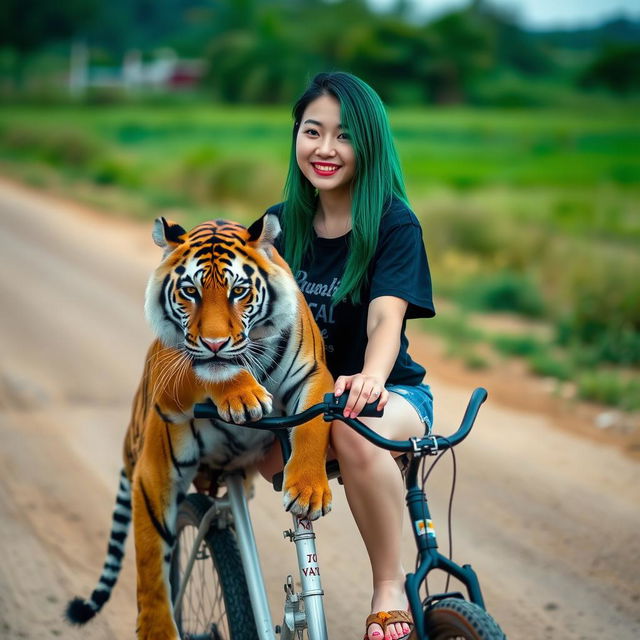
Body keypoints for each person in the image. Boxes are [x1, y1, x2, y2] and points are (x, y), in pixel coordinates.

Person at [261, 71, 435, 640]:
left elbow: (387, 316)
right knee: (241, 439)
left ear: (369, 143)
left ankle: (389, 587)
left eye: (344, 135)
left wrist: (371, 378)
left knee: (354, 428)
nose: (326, 150)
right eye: (313, 132)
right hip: (308, 403)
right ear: (296, 137)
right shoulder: (279, 225)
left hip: (389, 396)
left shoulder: (392, 222)